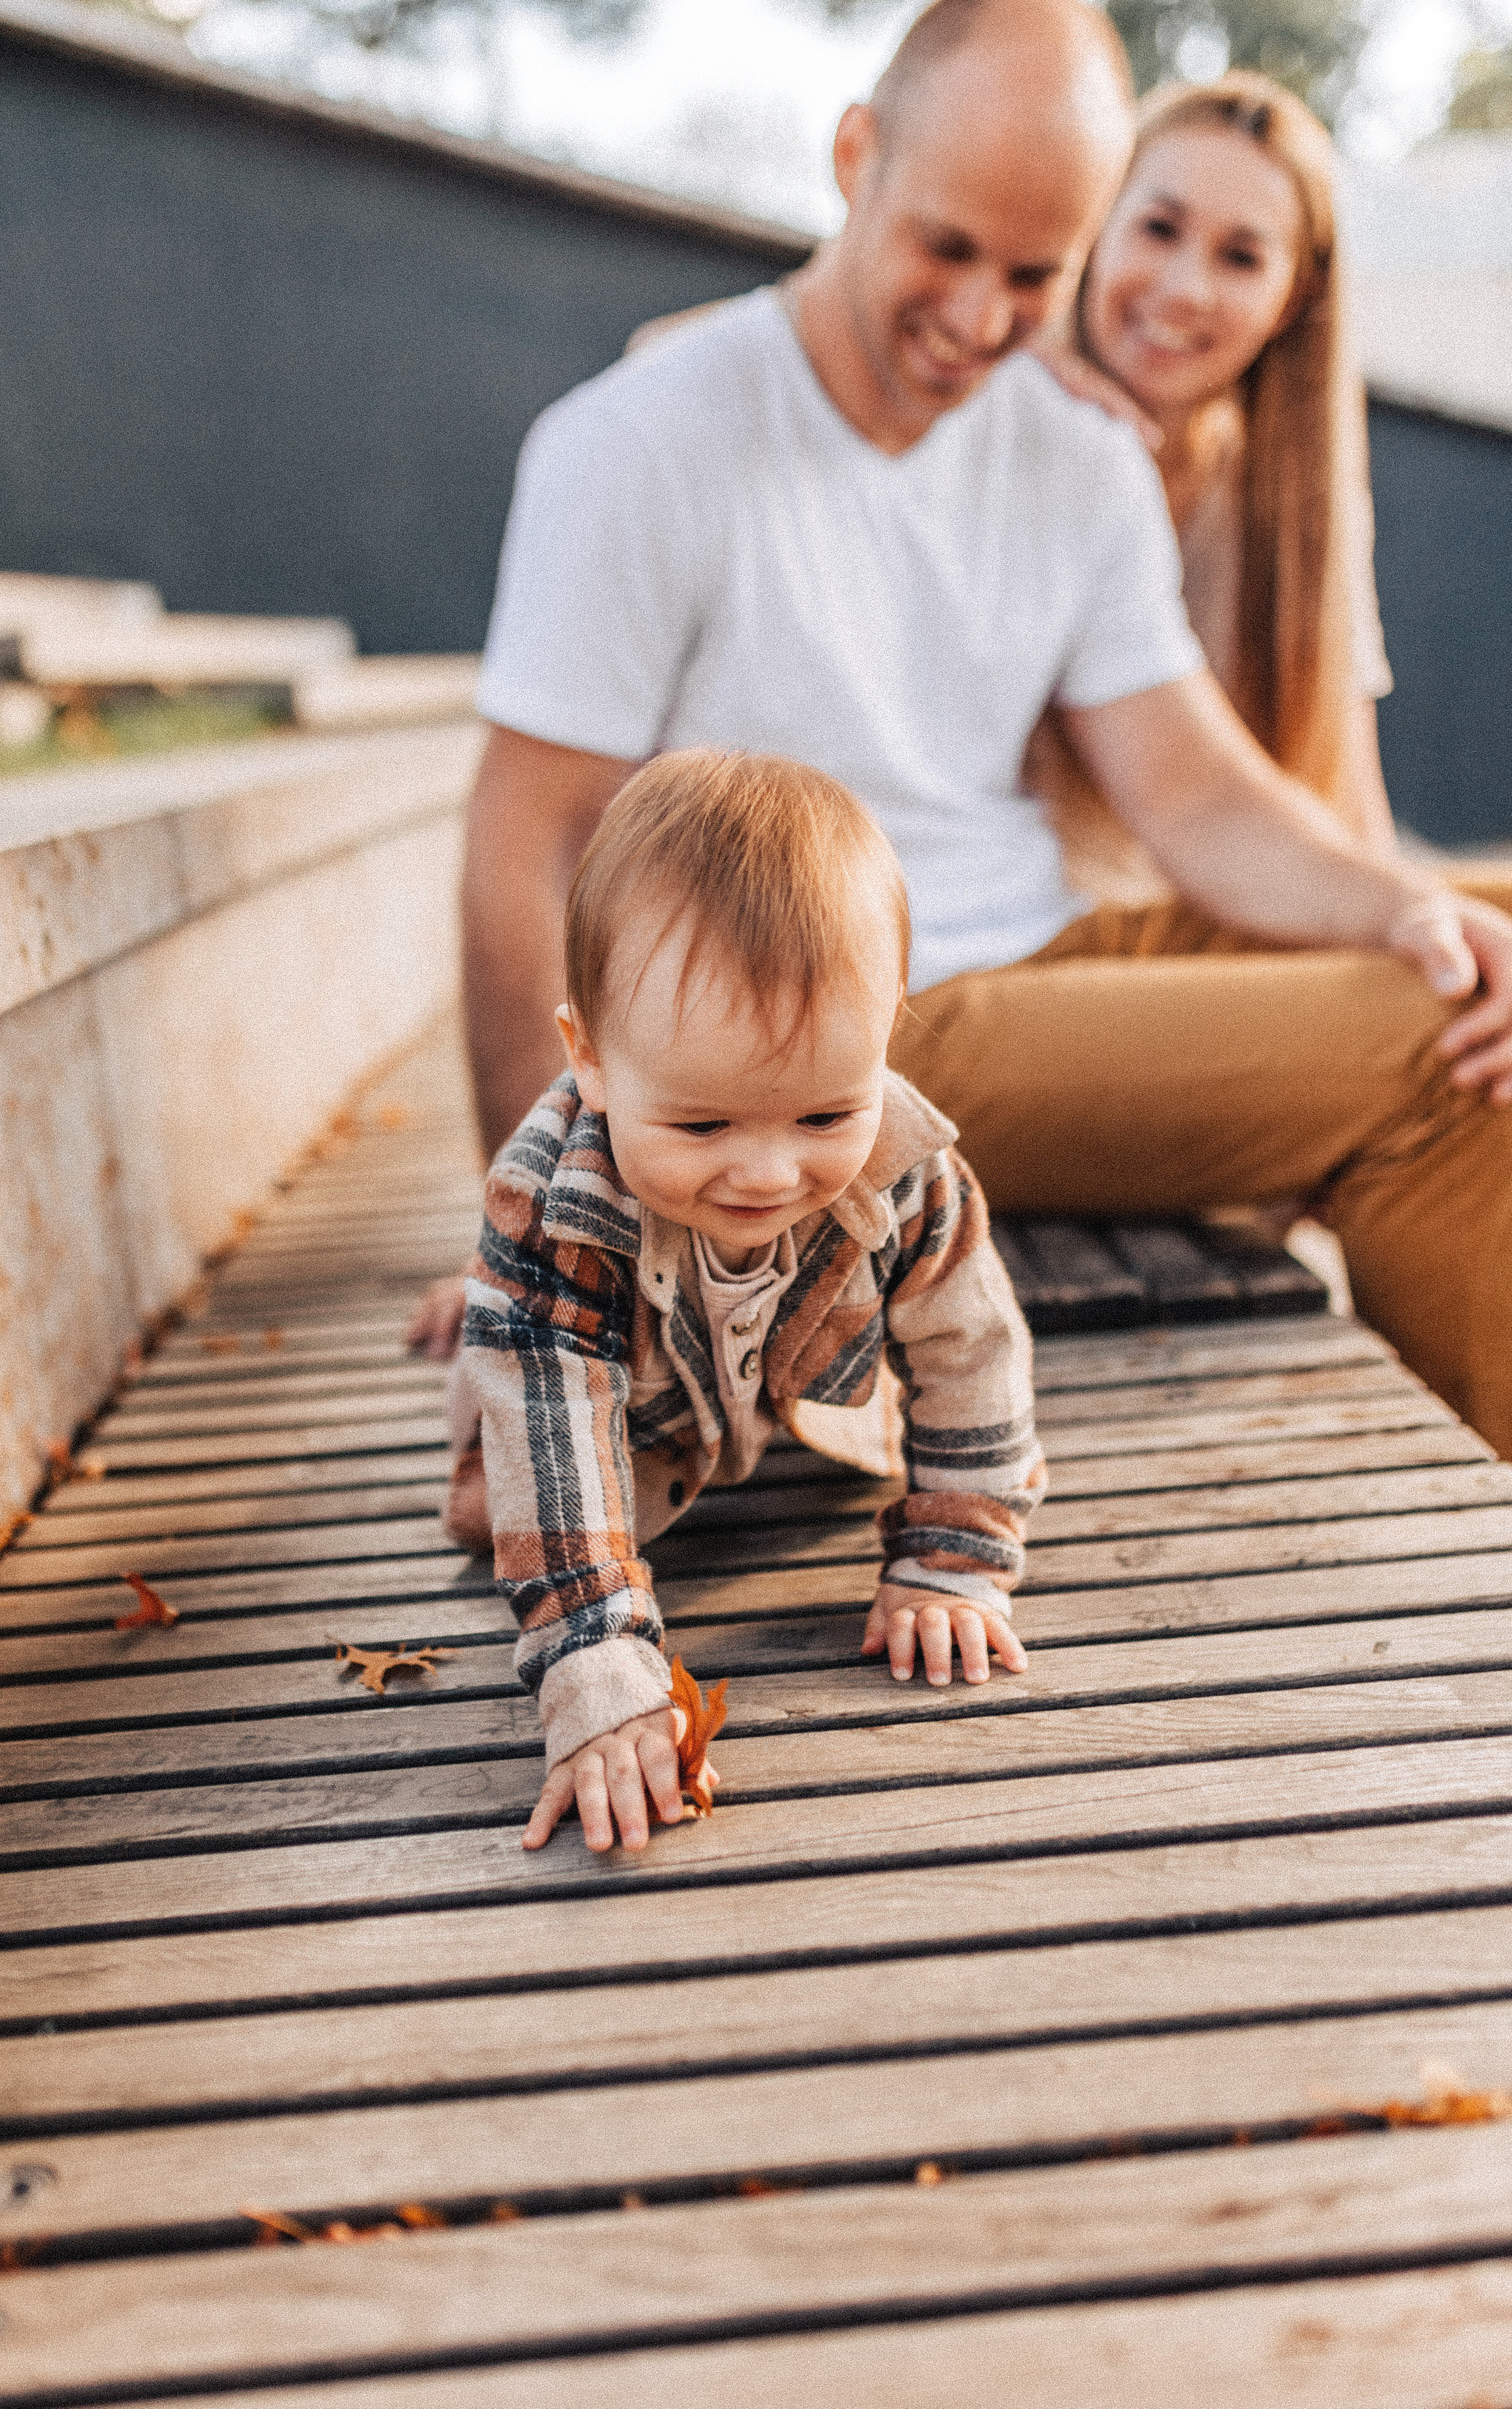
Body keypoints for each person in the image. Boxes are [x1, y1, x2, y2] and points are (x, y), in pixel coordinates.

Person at [430, 0, 1512, 1457]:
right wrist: (529, 1236)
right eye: (947, 250)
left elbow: (1192, 792)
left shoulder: (1073, 452)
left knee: (1480, 936)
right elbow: (528, 840)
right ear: (852, 153)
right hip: (833, 1034)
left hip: (1047, 957)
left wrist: (1409, 905)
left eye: (1031, 272)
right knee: (1440, 1043)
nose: (982, 318)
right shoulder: (640, 438)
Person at [450, 750, 1043, 1855]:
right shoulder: (553, 1211)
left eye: (824, 1116)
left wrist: (955, 1559)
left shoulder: (909, 1170)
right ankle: (476, 1318)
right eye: (704, 1127)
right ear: (590, 1061)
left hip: (791, 1398)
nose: (769, 1173)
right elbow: (555, 1432)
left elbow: (974, 1351)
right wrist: (597, 1670)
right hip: (625, 1426)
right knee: (508, 1394)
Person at [1030, 68, 1400, 903]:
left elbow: (1350, 805)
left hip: (1211, 925)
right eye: (1159, 229)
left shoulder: (1295, 514)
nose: (1185, 289)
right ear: (1097, 227)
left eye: (1241, 257)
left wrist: (1415, 941)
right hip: (1044, 938)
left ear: (1292, 298)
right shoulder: (993, 419)